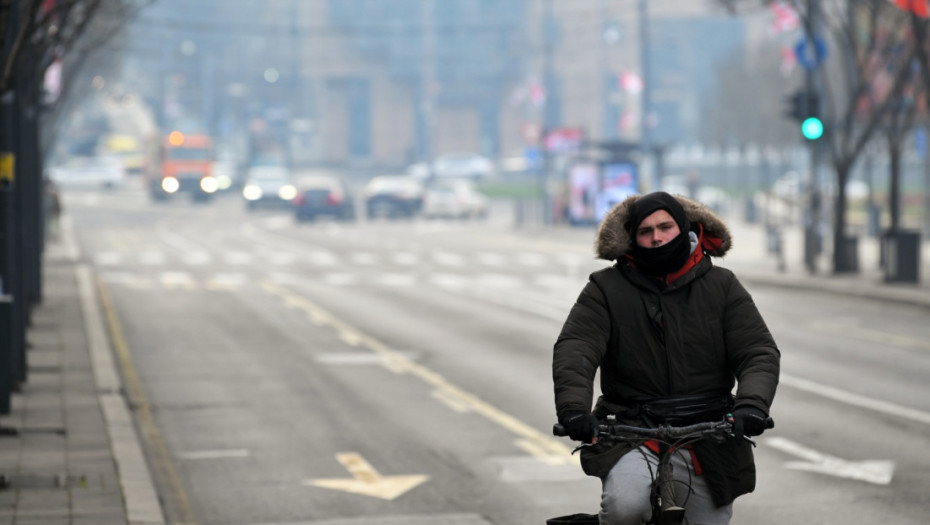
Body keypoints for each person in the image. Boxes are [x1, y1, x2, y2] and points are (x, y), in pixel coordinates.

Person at [552, 191, 779, 525]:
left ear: (683, 228)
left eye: (665, 227)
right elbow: (576, 347)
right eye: (646, 231)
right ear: (633, 238)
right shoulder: (605, 288)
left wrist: (752, 406)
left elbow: (758, 351)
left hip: (708, 433)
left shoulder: (723, 285)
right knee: (624, 509)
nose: (656, 237)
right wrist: (574, 410)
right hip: (632, 430)